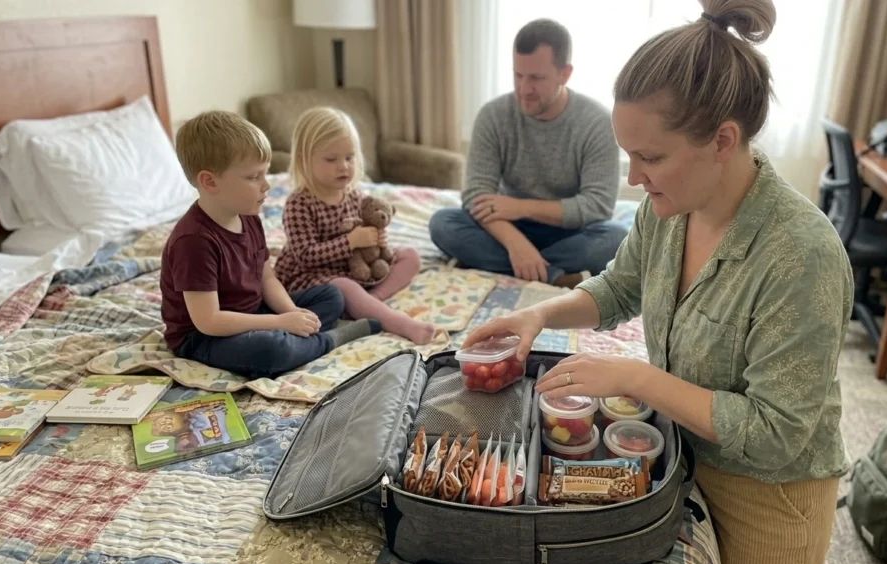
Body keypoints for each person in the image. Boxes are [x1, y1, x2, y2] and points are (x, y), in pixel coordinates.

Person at [462, 1, 852, 564]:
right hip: (678, 451)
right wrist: (540, 316)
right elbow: (621, 288)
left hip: (767, 495)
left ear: (722, 140)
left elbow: (775, 433)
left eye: (650, 157)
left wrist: (636, 378)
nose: (632, 178)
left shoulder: (802, 256)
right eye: (628, 154)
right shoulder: (667, 209)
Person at [160, 111, 380, 380]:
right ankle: (328, 340)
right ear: (209, 181)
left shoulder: (249, 217)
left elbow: (267, 278)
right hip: (204, 337)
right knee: (271, 350)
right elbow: (209, 321)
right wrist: (278, 322)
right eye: (254, 177)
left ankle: (298, 337)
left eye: (265, 175)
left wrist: (291, 313)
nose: (267, 186)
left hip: (254, 312)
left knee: (331, 296)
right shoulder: (193, 241)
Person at [428, 18, 627, 289]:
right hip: (507, 227)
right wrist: (516, 244)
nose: (523, 89)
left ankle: (504, 265)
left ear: (565, 74)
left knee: (615, 237)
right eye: (518, 75)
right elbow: (476, 196)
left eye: (536, 78)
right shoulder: (493, 115)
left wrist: (520, 207)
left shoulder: (596, 122)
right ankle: (554, 275)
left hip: (568, 231)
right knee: (443, 223)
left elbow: (597, 206)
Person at [274, 107, 435, 345]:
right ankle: (398, 323)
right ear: (303, 160)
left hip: (355, 269)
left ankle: (372, 301)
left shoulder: (353, 194)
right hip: (313, 276)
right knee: (344, 287)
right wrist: (350, 242)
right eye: (331, 159)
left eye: (349, 157)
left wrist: (377, 241)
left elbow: (369, 228)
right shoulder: (299, 203)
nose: (344, 166)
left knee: (410, 256)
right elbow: (305, 256)